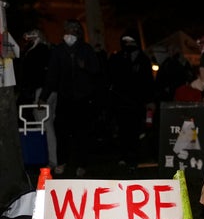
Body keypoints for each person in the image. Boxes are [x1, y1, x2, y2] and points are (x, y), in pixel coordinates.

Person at [38, 19, 100, 177]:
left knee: (82, 132)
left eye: (73, 29)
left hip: (83, 98)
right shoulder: (59, 50)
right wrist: (43, 97)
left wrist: (84, 66)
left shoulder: (86, 49)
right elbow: (52, 75)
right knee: (62, 131)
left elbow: (97, 71)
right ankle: (62, 161)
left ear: (78, 32)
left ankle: (82, 163)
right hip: (65, 98)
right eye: (67, 29)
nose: (70, 32)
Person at [106, 30, 155, 171]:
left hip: (137, 102)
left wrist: (149, 100)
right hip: (121, 101)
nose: (128, 45)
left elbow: (148, 81)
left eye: (131, 42)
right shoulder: (117, 58)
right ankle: (123, 156)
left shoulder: (143, 60)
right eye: (125, 42)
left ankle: (134, 156)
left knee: (136, 130)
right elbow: (111, 78)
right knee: (122, 130)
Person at [17, 29, 58, 169]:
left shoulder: (40, 51)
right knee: (45, 125)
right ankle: (45, 157)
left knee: (45, 126)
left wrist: (42, 96)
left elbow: (40, 74)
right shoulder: (42, 50)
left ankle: (51, 160)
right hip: (46, 91)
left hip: (42, 92)